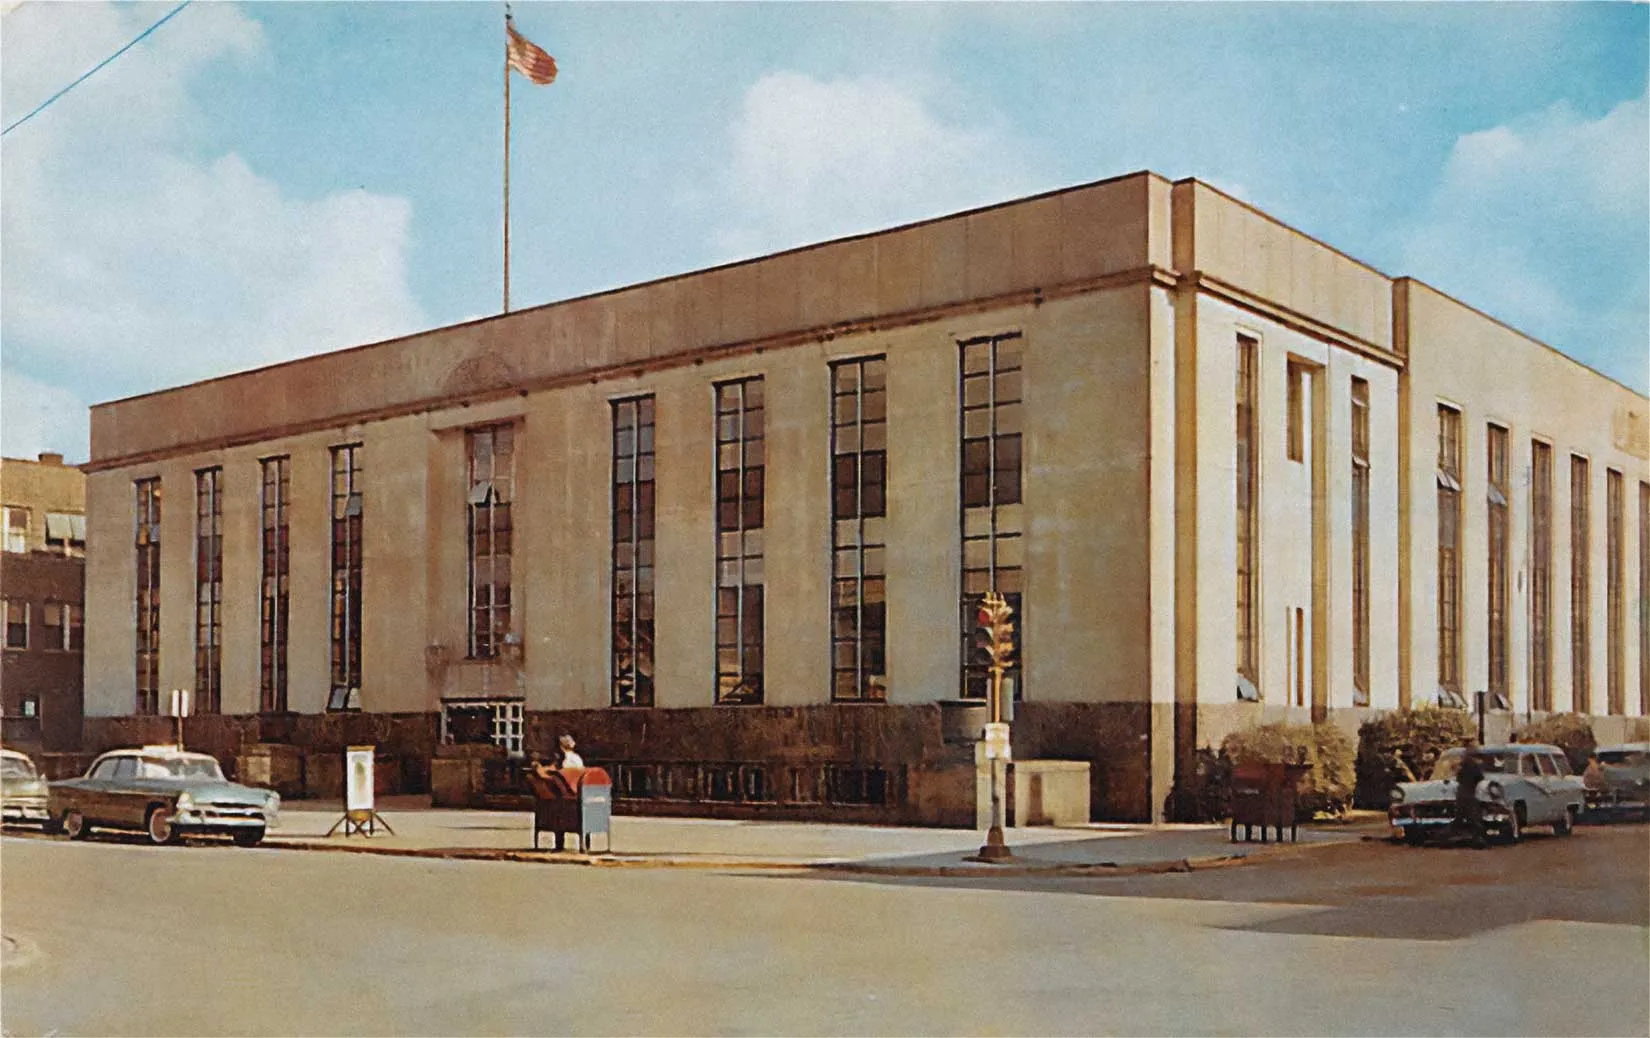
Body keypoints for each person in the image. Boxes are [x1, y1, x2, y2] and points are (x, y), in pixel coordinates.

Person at [1454, 749, 1487, 848]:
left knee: (1460, 816)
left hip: (1461, 795)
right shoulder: (1474, 766)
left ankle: (1458, 835)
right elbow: (1480, 778)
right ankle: (1477, 838)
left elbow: (1458, 779)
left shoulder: (1462, 767)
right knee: (1474, 817)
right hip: (1470, 794)